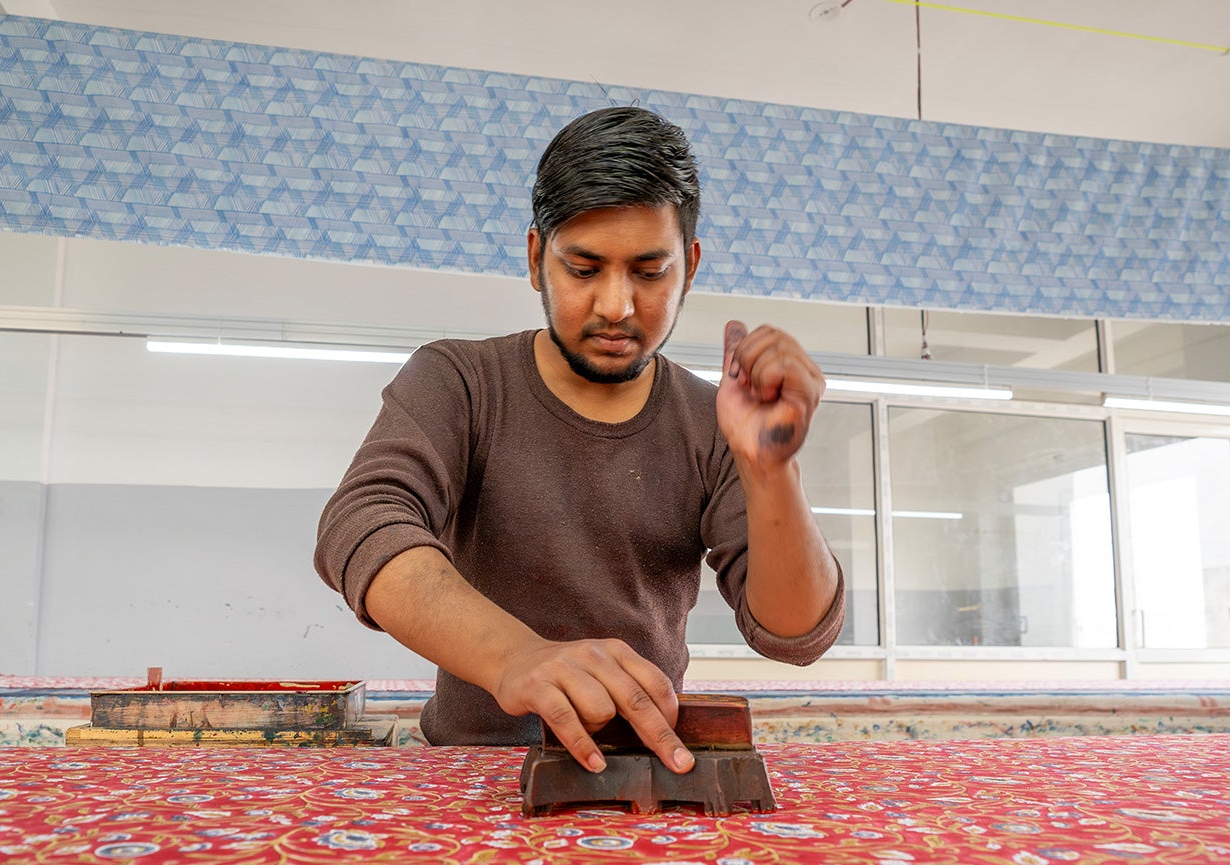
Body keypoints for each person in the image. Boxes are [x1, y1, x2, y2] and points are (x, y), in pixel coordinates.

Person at [314, 106, 845, 775]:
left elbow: (796, 635)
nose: (616, 306)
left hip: (648, 770)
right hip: (469, 772)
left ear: (690, 266)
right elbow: (362, 523)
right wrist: (516, 656)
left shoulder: (716, 422)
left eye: (649, 272)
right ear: (537, 258)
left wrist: (772, 470)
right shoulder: (460, 381)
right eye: (584, 268)